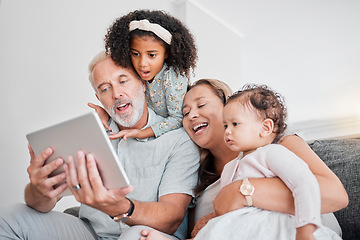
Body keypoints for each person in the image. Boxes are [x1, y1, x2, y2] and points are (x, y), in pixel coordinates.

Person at [0, 52, 200, 240]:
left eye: (123, 81)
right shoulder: (87, 134)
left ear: (143, 83)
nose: (116, 94)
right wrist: (39, 190)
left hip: (147, 235)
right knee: (8, 218)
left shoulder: (177, 140)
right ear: (98, 98)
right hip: (91, 233)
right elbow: (42, 204)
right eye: (105, 88)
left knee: (137, 235)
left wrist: (120, 207)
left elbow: (172, 218)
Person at [139, 79, 348, 240]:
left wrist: (242, 192)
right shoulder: (200, 182)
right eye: (185, 113)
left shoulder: (276, 143)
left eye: (201, 105)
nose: (192, 115)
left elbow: (335, 196)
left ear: (229, 107)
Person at [190, 84, 341, 239]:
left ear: (266, 127)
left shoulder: (274, 151)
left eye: (235, 124)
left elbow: (304, 182)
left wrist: (306, 228)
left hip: (278, 227)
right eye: (225, 125)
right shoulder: (230, 168)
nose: (227, 130)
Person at [89, 9, 197, 140]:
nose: (142, 63)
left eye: (151, 55)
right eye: (135, 54)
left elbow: (179, 119)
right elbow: (125, 102)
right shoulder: (138, 72)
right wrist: (106, 114)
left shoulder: (172, 78)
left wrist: (142, 133)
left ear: (167, 53)